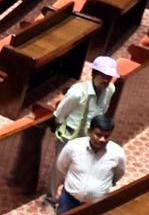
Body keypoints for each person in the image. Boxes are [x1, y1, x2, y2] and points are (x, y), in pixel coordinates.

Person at [44, 55, 118, 206]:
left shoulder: (110, 89)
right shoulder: (77, 92)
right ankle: (50, 197)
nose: (106, 80)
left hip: (89, 137)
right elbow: (59, 114)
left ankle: (71, 195)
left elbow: (103, 109)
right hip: (69, 136)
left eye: (109, 77)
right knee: (59, 167)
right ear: (93, 74)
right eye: (103, 76)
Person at [53, 114, 124, 214]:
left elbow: (118, 174)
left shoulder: (117, 153)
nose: (102, 139)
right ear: (90, 132)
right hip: (69, 199)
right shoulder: (74, 147)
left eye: (106, 136)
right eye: (98, 135)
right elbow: (61, 165)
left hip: (96, 204)